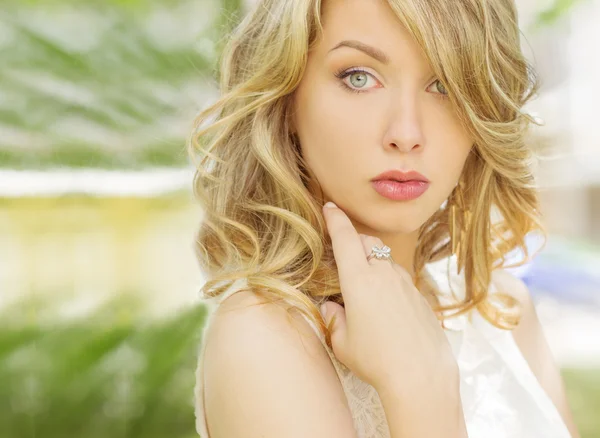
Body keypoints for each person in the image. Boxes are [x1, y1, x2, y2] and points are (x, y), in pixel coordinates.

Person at [189, 0, 581, 436]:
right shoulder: (263, 338)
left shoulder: (500, 309)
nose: (407, 134)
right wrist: (419, 388)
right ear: (287, 99)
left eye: (445, 84)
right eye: (359, 78)